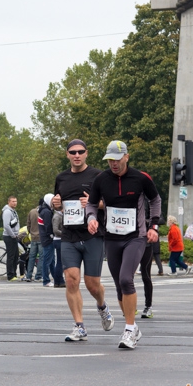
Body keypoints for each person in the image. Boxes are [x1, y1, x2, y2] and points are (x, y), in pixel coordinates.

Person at [86, 140, 161, 349]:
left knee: (126, 279)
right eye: (110, 160)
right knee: (119, 285)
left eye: (117, 160)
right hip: (111, 237)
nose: (113, 164)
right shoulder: (101, 179)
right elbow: (92, 203)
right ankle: (133, 327)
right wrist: (91, 217)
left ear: (126, 157)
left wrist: (154, 227)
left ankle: (128, 329)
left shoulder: (141, 178)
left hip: (135, 237)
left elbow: (155, 200)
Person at [52, 139, 113, 342]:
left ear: (87, 153)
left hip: (92, 235)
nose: (76, 155)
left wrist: (95, 203)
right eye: (72, 152)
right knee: (71, 280)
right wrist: (56, 203)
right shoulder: (61, 178)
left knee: (92, 285)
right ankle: (79, 326)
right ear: (67, 155)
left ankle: (102, 306)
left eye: (80, 152)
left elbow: (111, 202)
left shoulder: (98, 176)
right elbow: (60, 205)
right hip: (69, 235)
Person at [38, 194, 56, 287]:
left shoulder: (44, 210)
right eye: (53, 200)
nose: (54, 201)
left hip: (45, 238)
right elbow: (48, 226)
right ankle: (46, 280)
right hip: (48, 239)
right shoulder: (46, 212)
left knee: (52, 260)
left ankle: (55, 278)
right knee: (47, 260)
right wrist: (51, 235)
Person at [1, 196, 21, 281]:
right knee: (11, 256)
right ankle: (10, 275)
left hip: (14, 236)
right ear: (9, 202)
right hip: (9, 236)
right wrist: (13, 235)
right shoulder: (7, 212)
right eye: (13, 201)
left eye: (16, 201)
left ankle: (14, 273)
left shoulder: (13, 211)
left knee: (16, 256)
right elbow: (6, 225)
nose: (15, 203)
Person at [25, 202, 43, 282]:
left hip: (33, 237)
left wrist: (31, 232)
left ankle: (28, 275)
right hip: (41, 238)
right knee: (41, 257)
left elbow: (28, 224)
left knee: (32, 257)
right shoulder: (43, 212)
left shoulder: (31, 212)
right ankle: (38, 276)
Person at [52, 200, 66, 287]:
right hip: (58, 240)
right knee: (60, 262)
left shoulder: (60, 215)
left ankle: (58, 281)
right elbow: (55, 230)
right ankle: (59, 280)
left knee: (60, 261)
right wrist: (64, 233)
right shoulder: (57, 216)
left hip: (59, 239)